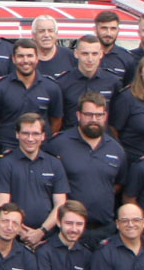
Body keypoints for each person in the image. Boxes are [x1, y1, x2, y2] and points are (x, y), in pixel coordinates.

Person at [48, 94, 125, 246]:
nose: (94, 120)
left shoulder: (116, 149)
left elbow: (118, 184)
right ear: (78, 115)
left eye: (99, 115)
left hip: (103, 231)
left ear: (105, 116)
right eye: (88, 115)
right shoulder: (58, 144)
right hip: (68, 231)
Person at [0, 112, 69, 246]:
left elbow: (60, 205)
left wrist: (41, 231)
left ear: (43, 136)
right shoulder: (5, 164)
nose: (30, 138)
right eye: (26, 133)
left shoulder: (54, 164)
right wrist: (22, 232)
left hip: (47, 239)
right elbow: (2, 207)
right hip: (14, 239)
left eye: (36, 134)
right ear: (17, 134)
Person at [0, 40, 64, 143]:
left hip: (40, 149)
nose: (25, 60)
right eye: (21, 56)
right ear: (14, 59)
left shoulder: (51, 87)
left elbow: (56, 121)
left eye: (30, 56)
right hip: (10, 147)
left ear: (37, 58)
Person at [61, 35, 124, 126]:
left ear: (101, 54)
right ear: (76, 54)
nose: (90, 59)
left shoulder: (113, 81)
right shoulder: (63, 82)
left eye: (94, 54)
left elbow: (117, 116)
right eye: (85, 54)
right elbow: (57, 118)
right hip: (70, 137)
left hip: (102, 137)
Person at [91, 9, 133, 87]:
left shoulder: (127, 58)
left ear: (118, 30)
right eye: (104, 28)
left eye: (113, 29)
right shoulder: (86, 56)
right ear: (95, 29)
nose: (108, 33)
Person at [29, 14, 75, 80]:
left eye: (50, 31)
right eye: (41, 31)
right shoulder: (26, 59)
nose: (46, 35)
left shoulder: (70, 56)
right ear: (33, 35)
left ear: (56, 34)